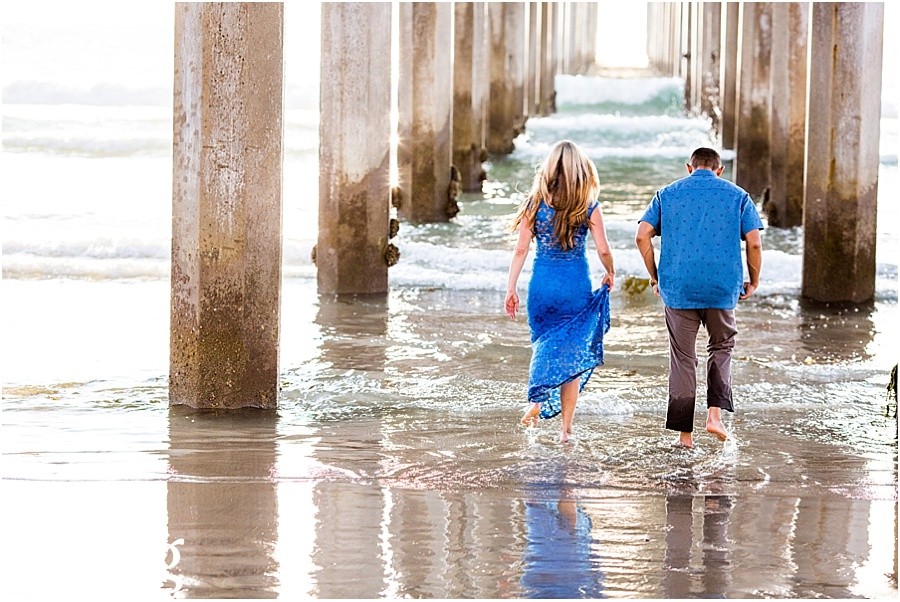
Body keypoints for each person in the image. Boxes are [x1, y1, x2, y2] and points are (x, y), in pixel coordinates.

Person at [635, 147, 763, 448]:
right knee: (721, 346)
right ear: (719, 170)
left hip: (678, 288)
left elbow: (642, 235)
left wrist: (655, 276)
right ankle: (714, 416)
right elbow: (755, 243)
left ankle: (685, 436)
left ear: (689, 168)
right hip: (721, 287)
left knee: (683, 358)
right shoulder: (739, 196)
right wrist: (754, 280)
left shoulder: (666, 194)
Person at [505, 140, 616, 443]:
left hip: (542, 287)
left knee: (543, 344)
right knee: (572, 357)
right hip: (575, 286)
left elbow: (520, 250)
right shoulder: (588, 206)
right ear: (581, 170)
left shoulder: (534, 204)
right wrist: (610, 272)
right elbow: (604, 249)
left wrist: (511, 287)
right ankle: (566, 430)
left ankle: (536, 402)